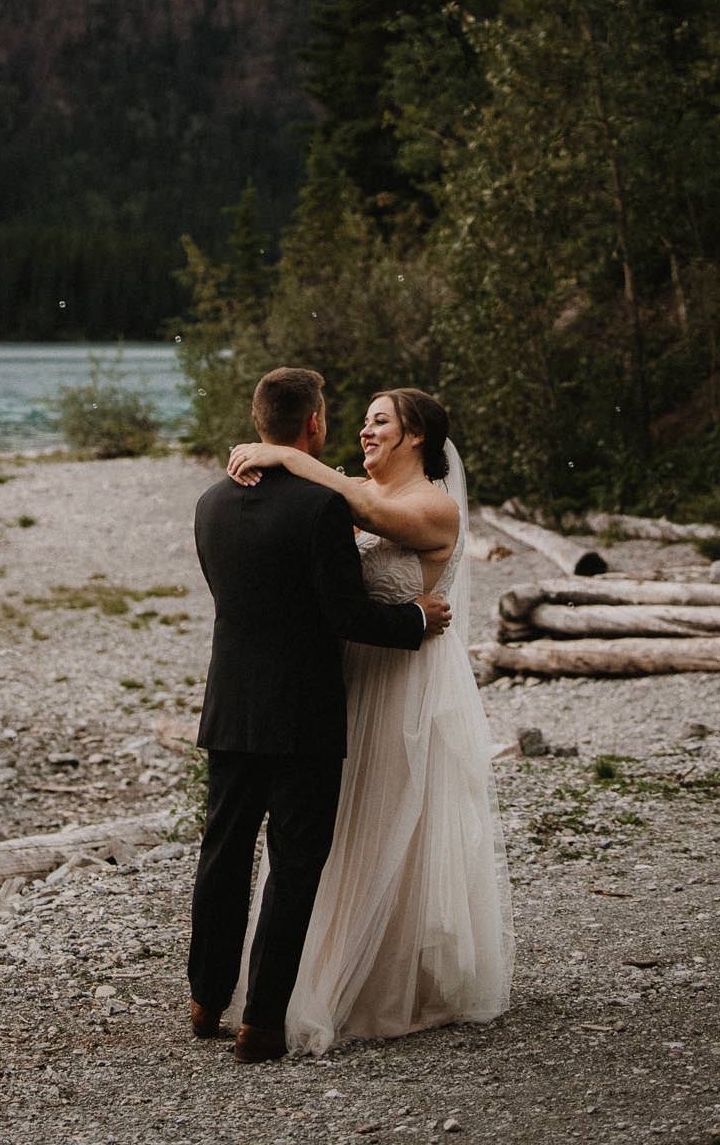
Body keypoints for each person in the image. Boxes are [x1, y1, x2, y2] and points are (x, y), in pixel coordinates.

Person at [225, 385, 514, 1051]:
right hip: (344, 681)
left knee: (386, 819)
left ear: (415, 435)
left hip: (404, 688)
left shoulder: (433, 507)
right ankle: (311, 974)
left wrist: (287, 456)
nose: (364, 431)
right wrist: (258, 474)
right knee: (326, 834)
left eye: (379, 421)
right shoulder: (350, 491)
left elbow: (368, 511)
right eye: (360, 421)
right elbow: (319, 520)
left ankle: (386, 981)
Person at [187, 367, 451, 1063]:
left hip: (230, 704)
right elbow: (342, 614)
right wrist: (414, 619)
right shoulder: (320, 508)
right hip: (303, 709)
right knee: (294, 862)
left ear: (257, 421)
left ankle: (206, 997)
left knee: (222, 851)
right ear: (314, 426)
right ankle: (261, 1023)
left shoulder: (211, 502)